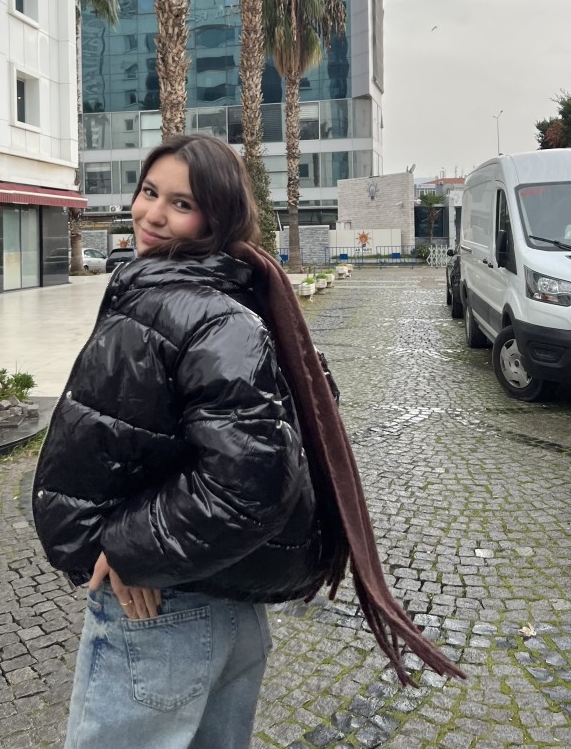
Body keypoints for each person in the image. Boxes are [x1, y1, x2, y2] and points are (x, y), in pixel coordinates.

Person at [33, 135, 461, 749]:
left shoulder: (204, 311)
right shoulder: (207, 294)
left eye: (181, 204)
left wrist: (129, 546)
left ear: (217, 218)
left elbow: (250, 482)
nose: (153, 214)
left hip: (164, 605)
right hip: (208, 597)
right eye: (149, 192)